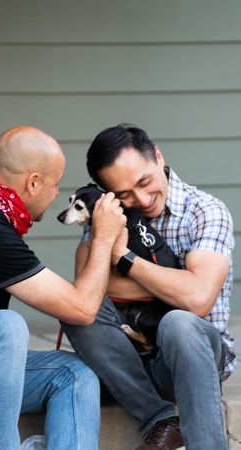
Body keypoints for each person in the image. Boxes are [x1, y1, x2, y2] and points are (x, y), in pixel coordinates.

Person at [0, 125, 126, 450]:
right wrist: (105, 236)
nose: (57, 194)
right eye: (55, 184)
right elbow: (82, 309)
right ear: (34, 182)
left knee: (75, 374)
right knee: (4, 326)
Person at [62, 124, 236, 450]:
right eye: (125, 194)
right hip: (127, 364)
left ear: (157, 156)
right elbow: (87, 291)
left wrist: (122, 258)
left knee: (179, 323)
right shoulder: (109, 214)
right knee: (74, 308)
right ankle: (162, 422)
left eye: (144, 181)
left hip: (191, 361)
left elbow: (197, 299)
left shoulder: (205, 211)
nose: (141, 199)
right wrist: (172, 284)